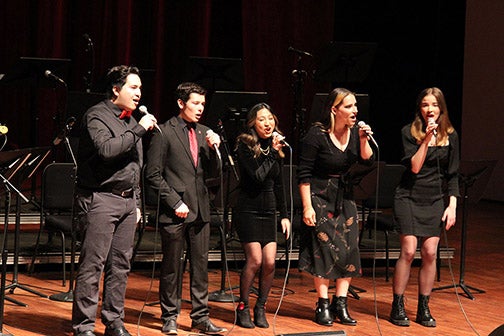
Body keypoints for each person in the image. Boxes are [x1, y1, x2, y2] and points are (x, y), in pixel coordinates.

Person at [72, 65, 157, 336]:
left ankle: (114, 322)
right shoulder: (96, 115)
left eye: (140, 88)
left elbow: (137, 167)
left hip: (128, 202)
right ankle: (84, 326)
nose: (139, 93)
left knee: (120, 265)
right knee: (93, 264)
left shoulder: (133, 121)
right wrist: (140, 130)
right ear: (115, 89)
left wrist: (139, 204)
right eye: (133, 87)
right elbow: (107, 150)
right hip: (100, 198)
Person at [144, 82, 226, 335]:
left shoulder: (204, 133)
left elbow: (213, 176)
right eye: (195, 103)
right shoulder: (163, 132)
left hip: (200, 209)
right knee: (172, 267)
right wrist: (174, 201)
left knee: (201, 266)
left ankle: (200, 317)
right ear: (181, 103)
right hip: (174, 211)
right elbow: (153, 175)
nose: (200, 108)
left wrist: (215, 150)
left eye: (203, 104)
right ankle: (170, 316)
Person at [297, 88, 375, 326]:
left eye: (355, 106)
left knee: (350, 249)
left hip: (345, 194)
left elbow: (367, 160)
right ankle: (322, 304)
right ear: (334, 109)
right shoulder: (316, 135)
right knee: (324, 249)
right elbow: (303, 175)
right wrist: (307, 207)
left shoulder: (354, 133)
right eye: (349, 106)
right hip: (320, 195)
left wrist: (363, 139)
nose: (355, 111)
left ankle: (340, 303)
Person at [390, 87, 459, 328]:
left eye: (434, 105)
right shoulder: (409, 132)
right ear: (419, 108)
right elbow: (416, 167)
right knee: (409, 250)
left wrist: (452, 204)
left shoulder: (451, 135)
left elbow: (452, 174)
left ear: (442, 108)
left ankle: (423, 306)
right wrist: (427, 140)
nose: (430, 109)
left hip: (435, 198)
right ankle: (397, 304)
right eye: (425, 105)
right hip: (408, 195)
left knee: (430, 252)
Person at [233, 103, 291, 329]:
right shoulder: (243, 145)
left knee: (269, 262)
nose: (268, 124)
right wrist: (274, 153)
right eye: (261, 120)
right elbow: (257, 176)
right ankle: (243, 306)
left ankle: (261, 306)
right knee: (255, 260)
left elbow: (279, 184)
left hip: (269, 210)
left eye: (270, 119)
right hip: (247, 208)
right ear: (252, 124)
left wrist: (284, 215)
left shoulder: (277, 148)